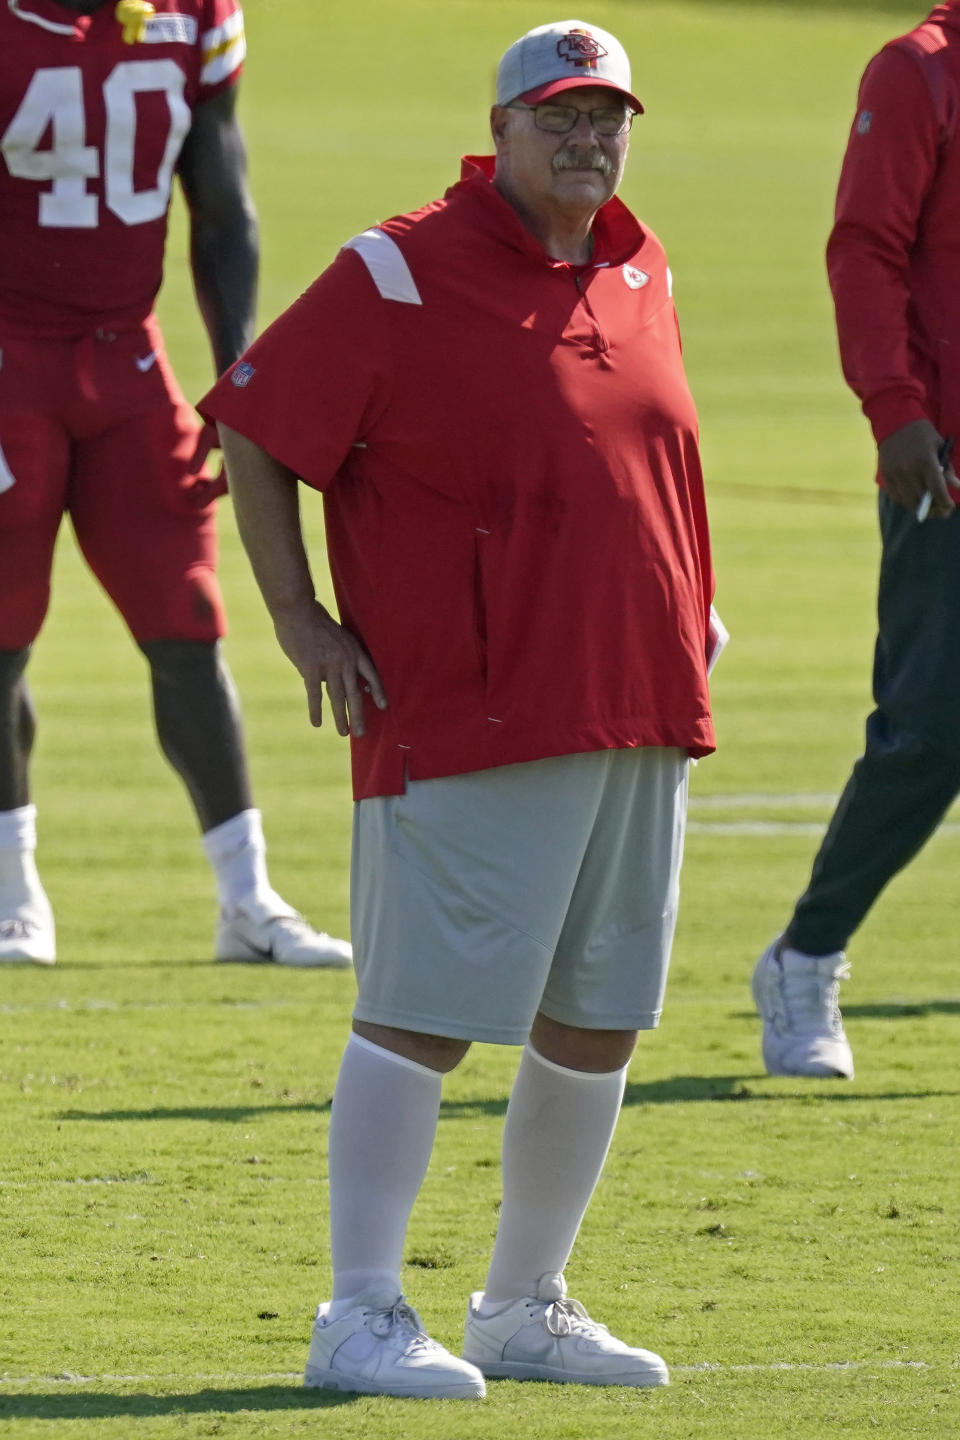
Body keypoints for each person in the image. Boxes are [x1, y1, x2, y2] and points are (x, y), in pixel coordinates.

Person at [202, 18, 717, 1399]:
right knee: (422, 1012)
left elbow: (643, 457)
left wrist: (692, 614)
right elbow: (252, 427)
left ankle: (522, 1304)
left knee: (598, 1016)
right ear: (500, 128)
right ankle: (358, 1312)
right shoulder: (397, 268)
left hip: (639, 698)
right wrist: (302, 620)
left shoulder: (640, 263)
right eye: (559, 115)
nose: (587, 138)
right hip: (470, 703)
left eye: (607, 115)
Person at [0, 0, 351, 969]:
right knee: (2, 631)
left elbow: (223, 198)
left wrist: (237, 370)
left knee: (188, 623)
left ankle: (247, 898)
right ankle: (10, 888)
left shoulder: (193, 14)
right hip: (7, 359)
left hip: (129, 363)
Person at [752, 2, 960, 1080]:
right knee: (930, 735)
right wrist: (896, 408)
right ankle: (805, 957)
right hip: (947, 463)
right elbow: (866, 249)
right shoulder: (917, 69)